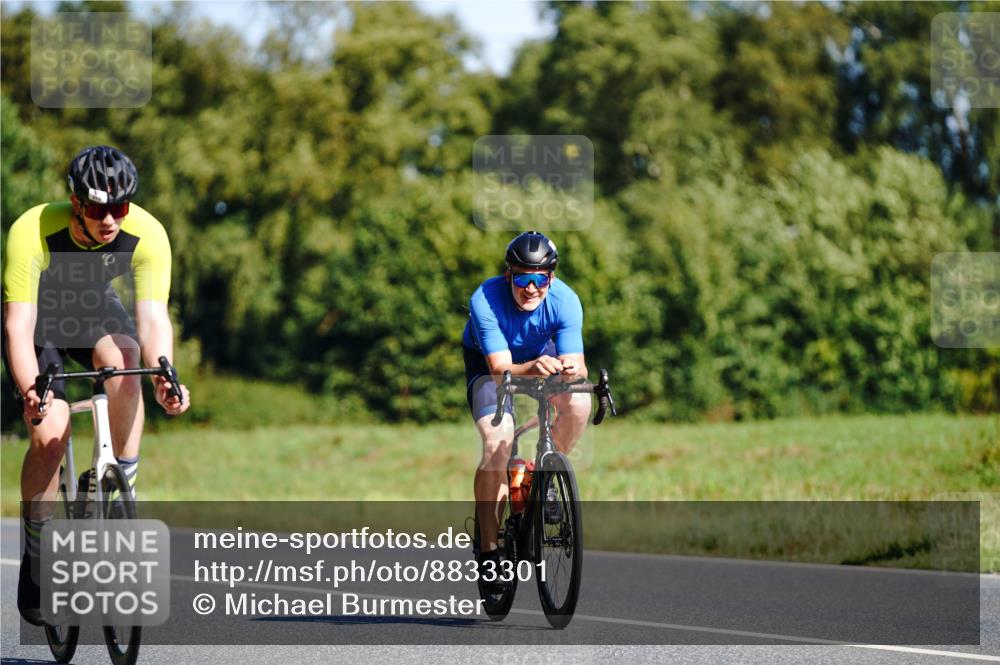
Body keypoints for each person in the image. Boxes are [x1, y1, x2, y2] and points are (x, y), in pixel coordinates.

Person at [3, 145, 191, 626]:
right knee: (51, 433)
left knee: (127, 360)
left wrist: (165, 372)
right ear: (75, 202)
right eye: (97, 208)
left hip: (90, 311)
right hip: (39, 320)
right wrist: (32, 392)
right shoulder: (33, 229)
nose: (109, 219)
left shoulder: (147, 234)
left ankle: (121, 477)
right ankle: (38, 548)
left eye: (120, 208)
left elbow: (152, 318)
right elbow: (17, 327)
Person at [462, 230, 591, 581]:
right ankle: (489, 551)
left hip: (539, 355)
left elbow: (574, 363)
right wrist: (530, 369)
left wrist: (572, 371)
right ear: (509, 275)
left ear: (551, 277)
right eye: (522, 278)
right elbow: (500, 369)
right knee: (496, 442)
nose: (531, 288)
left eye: (540, 279)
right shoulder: (485, 299)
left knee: (579, 402)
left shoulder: (566, 301)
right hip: (490, 364)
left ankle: (542, 476)